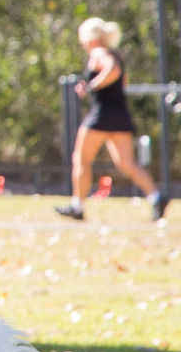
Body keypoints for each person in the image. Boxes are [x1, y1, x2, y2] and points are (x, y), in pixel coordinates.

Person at [56, 17, 168, 221]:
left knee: (81, 159)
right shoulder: (115, 54)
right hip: (119, 114)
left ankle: (77, 206)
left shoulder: (99, 53)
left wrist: (91, 86)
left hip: (102, 115)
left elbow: (113, 71)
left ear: (88, 38)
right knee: (126, 163)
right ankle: (156, 197)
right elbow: (121, 81)